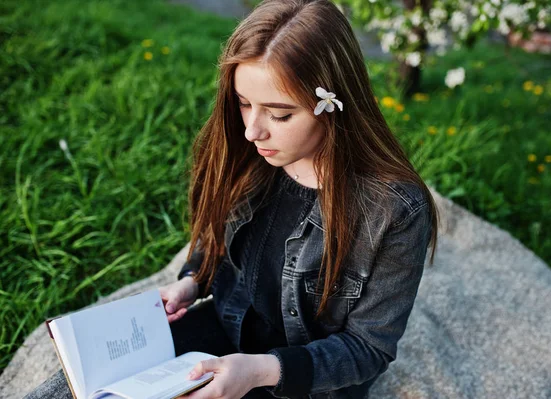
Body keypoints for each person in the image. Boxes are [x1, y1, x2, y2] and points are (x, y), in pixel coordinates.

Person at [25, 0, 439, 398]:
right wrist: (192, 281)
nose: (252, 131)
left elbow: (368, 349)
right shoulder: (249, 156)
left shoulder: (396, 212)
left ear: (331, 105)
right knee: (73, 390)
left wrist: (258, 372)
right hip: (226, 326)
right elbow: (218, 235)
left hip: (304, 380)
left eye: (279, 114)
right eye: (243, 104)